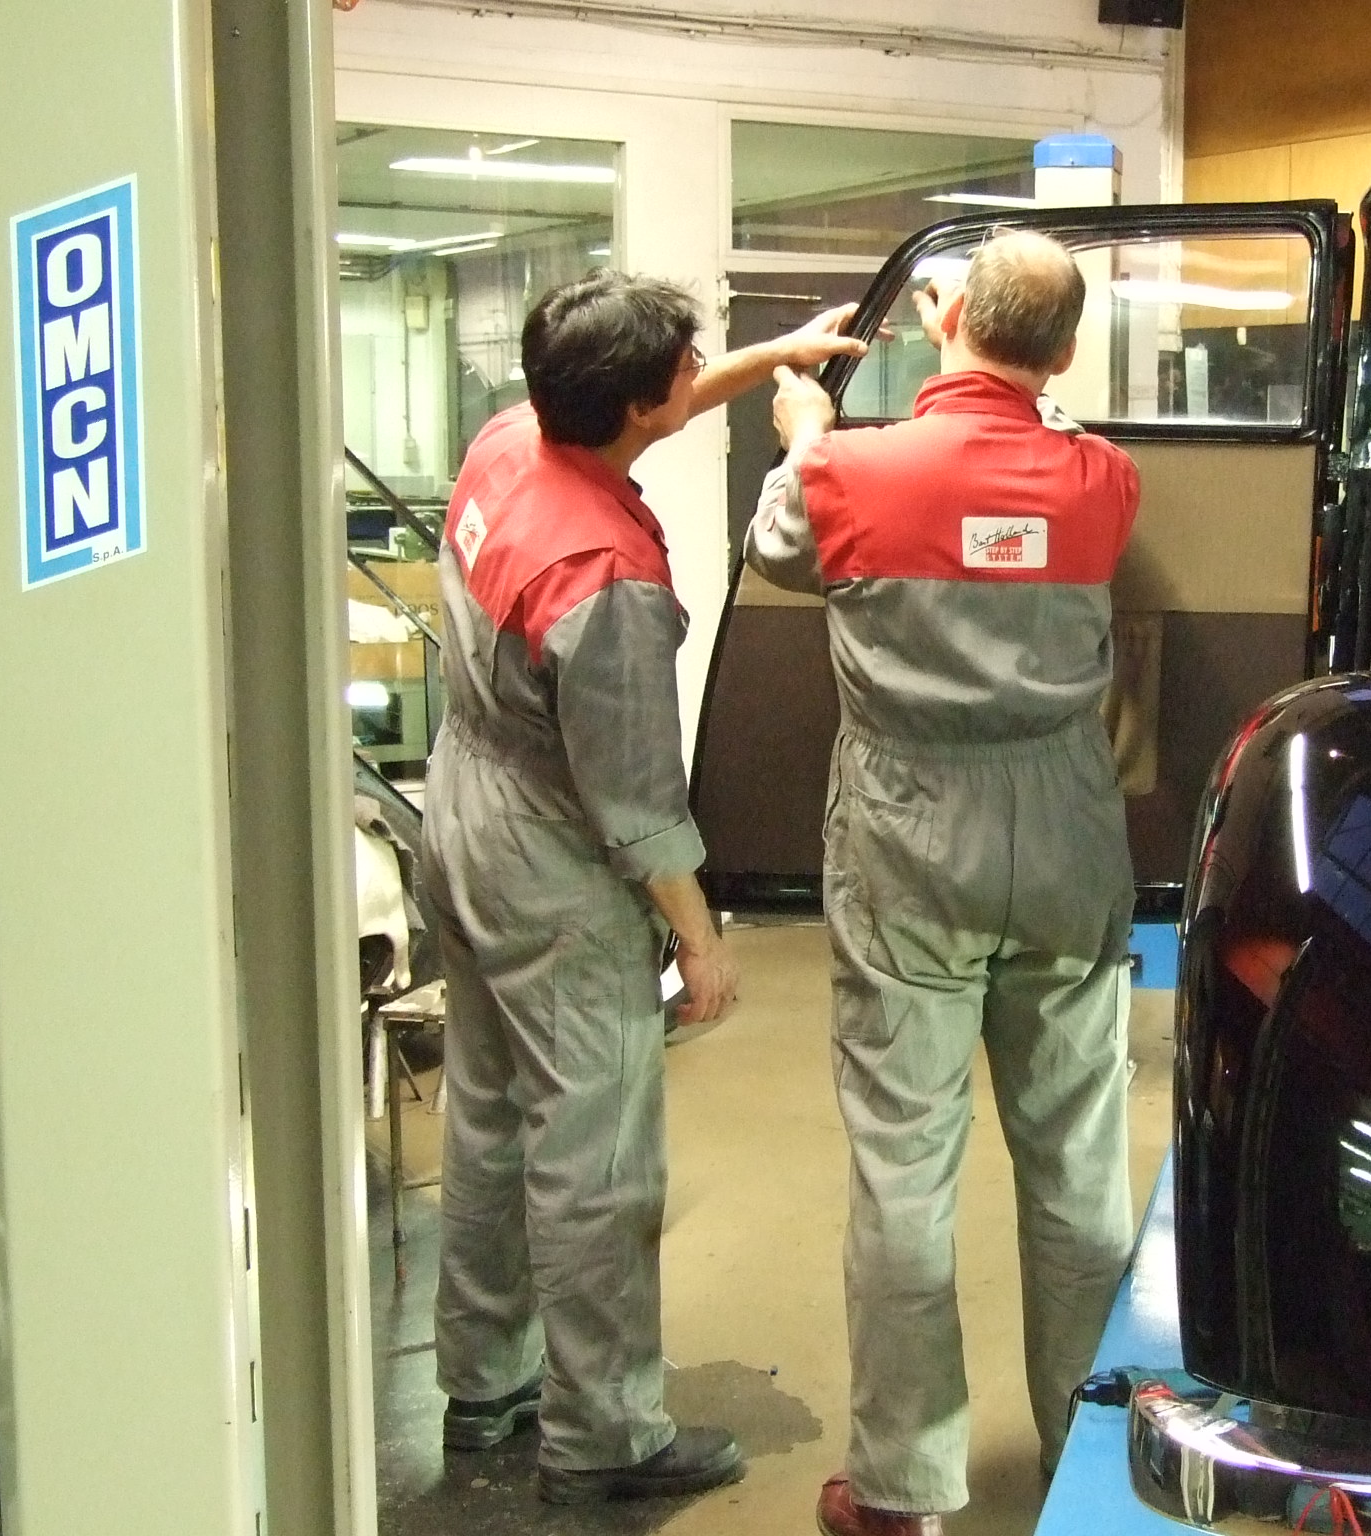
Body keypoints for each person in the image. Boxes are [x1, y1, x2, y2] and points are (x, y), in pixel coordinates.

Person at [421, 269, 865, 1506]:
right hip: (548, 852)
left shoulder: (513, 440)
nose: (691, 381)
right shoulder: (605, 580)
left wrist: (773, 354)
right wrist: (699, 938)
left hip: (463, 802)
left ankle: (485, 1378)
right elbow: (631, 799)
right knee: (596, 1157)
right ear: (630, 403)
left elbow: (646, 410)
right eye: (682, 369)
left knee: (489, 1115)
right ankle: (604, 1432)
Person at [746, 230, 1142, 1536]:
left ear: (943, 317)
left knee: (905, 1165)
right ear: (1066, 355)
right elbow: (1039, 449)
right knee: (1077, 1160)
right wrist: (997, 349)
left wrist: (806, 432)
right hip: (1067, 825)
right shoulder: (1102, 479)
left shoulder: (844, 474)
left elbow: (778, 549)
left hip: (910, 832)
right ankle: (1089, 1455)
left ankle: (904, 1489)